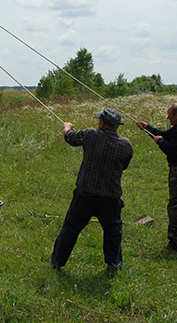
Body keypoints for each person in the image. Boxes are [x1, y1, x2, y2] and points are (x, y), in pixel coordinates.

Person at [51, 108, 133, 273]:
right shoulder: (126, 145)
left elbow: (70, 138)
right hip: (111, 199)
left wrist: (67, 127)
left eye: (99, 121)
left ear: (102, 123)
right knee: (113, 232)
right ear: (117, 126)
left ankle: (57, 263)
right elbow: (124, 165)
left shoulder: (91, 135)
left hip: (85, 196)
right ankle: (114, 265)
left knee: (71, 228)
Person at [136, 102, 177, 252]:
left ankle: (176, 244)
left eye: (169, 115)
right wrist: (147, 128)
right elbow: (165, 134)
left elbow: (172, 150)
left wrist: (160, 142)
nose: (167, 117)